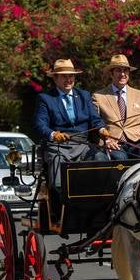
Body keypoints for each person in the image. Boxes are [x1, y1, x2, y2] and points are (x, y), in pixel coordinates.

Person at [33, 59, 116, 212]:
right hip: (57, 146)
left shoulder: (84, 95)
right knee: (58, 165)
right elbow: (40, 125)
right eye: (64, 76)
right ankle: (63, 209)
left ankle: (100, 206)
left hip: (83, 145)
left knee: (101, 158)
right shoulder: (45, 98)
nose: (68, 80)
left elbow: (95, 119)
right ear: (55, 78)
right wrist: (54, 134)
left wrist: (102, 130)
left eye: (71, 76)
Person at [92, 53, 140, 161]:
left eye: (125, 70)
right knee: (120, 159)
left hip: (137, 144)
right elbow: (95, 125)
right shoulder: (98, 96)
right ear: (111, 73)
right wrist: (106, 140)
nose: (122, 74)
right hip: (114, 145)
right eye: (118, 70)